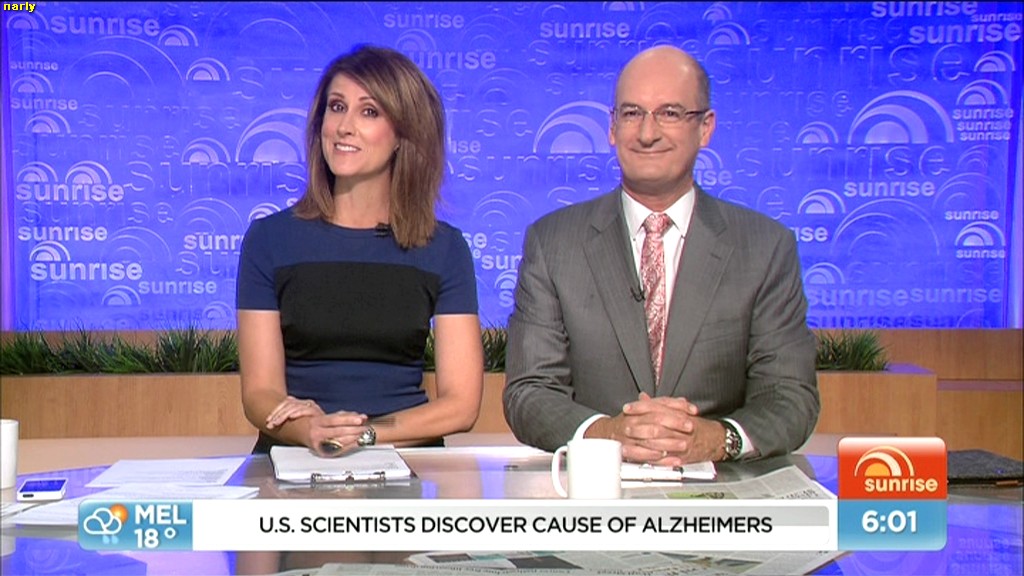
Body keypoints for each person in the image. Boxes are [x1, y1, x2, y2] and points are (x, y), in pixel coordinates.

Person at [503, 46, 819, 465]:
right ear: (612, 127)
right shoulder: (553, 243)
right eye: (632, 113)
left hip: (723, 490)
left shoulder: (763, 247)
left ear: (705, 128)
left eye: (670, 113)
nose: (647, 133)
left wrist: (717, 439)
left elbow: (790, 396)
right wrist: (608, 435)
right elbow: (529, 393)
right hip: (594, 488)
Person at [236, 45, 483, 456]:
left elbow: (461, 405)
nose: (344, 127)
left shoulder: (443, 249)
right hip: (295, 456)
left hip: (404, 457)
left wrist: (361, 435)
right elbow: (260, 393)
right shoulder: (270, 240)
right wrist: (310, 429)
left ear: (404, 133)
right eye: (337, 107)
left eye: (369, 112)